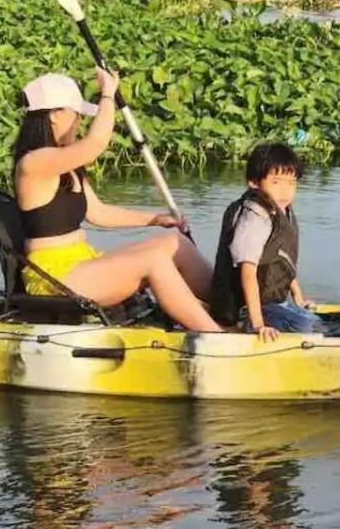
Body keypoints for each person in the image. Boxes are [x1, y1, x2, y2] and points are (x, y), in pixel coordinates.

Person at [13, 68, 220, 332]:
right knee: (154, 261)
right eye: (76, 114)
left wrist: (155, 219)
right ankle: (215, 336)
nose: (79, 122)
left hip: (81, 261)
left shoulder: (66, 162)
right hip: (54, 276)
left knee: (173, 242)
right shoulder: (34, 162)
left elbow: (98, 213)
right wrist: (108, 95)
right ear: (54, 115)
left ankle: (230, 311)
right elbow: (96, 143)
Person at [210, 142, 326, 341]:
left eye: (291, 183)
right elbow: (247, 272)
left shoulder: (280, 210)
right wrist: (258, 325)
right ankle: (243, 324)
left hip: (271, 303)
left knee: (318, 322)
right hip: (245, 308)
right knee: (306, 326)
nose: (285, 191)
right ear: (254, 182)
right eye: (276, 182)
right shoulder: (255, 216)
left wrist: (297, 297)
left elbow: (282, 260)